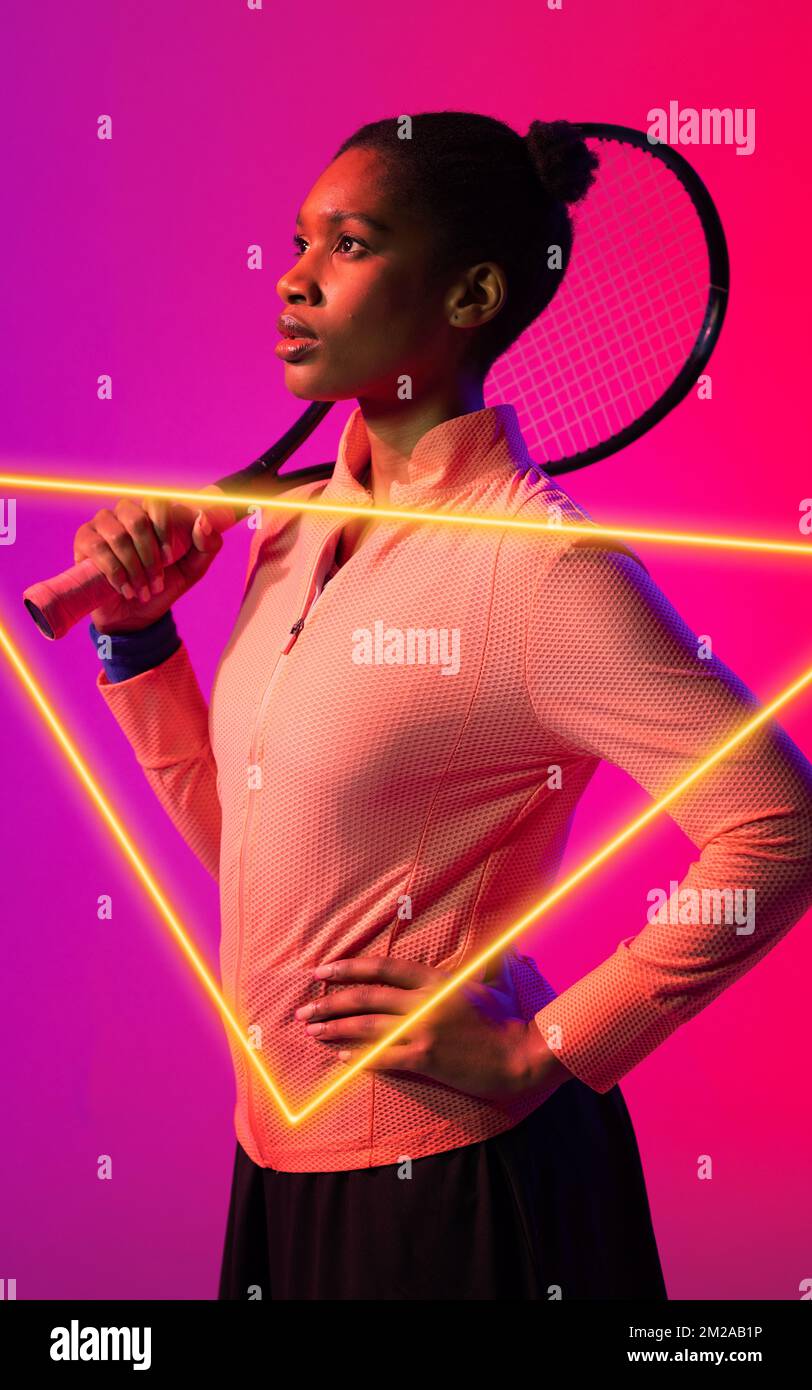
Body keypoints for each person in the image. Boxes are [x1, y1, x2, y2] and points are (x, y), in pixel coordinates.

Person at [77, 111, 812, 1301]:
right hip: (278, 1160)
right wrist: (140, 637)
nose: (295, 280)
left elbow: (781, 823)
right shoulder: (289, 532)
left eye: (350, 245)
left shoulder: (539, 573)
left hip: (458, 1185)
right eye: (297, 240)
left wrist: (548, 1047)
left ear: (470, 296)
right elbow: (263, 861)